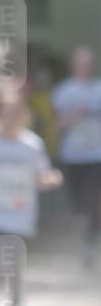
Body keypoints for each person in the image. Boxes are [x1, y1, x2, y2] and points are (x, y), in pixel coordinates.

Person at [0, 95, 62, 306]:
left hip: (22, 210)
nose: (9, 119)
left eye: (14, 115)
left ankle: (15, 292)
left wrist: (52, 179)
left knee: (14, 252)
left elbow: (42, 175)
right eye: (6, 115)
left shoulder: (32, 145)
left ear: (22, 117)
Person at [52, 46, 101, 266]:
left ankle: (88, 242)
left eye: (88, 63)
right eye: (81, 63)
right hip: (72, 155)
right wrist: (74, 116)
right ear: (74, 65)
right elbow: (56, 124)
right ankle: (79, 239)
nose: (85, 67)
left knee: (94, 200)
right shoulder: (63, 92)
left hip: (96, 155)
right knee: (77, 203)